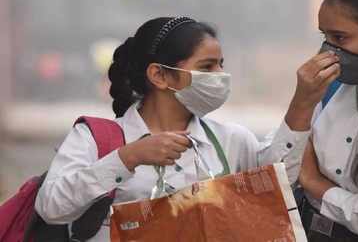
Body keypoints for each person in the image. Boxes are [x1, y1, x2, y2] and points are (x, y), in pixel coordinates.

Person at [34, 17, 302, 241]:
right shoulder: (96, 138)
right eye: (207, 67)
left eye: (221, 64)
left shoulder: (232, 141)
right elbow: (51, 208)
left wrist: (304, 102)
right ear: (159, 75)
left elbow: (278, 189)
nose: (220, 75)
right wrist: (128, 158)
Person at [273, 0, 358, 241]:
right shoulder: (331, 87)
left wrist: (316, 184)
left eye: (340, 38)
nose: (327, 51)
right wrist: (301, 103)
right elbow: (275, 176)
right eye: (325, 36)